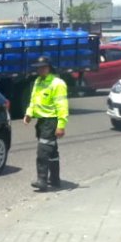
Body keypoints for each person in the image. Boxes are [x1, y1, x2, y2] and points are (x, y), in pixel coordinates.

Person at [23, 55, 69, 192]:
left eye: (43, 68)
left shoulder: (57, 84)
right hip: (42, 122)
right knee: (52, 152)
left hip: (52, 121)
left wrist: (61, 125)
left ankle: (42, 180)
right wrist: (29, 113)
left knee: (43, 151)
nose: (40, 70)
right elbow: (33, 100)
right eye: (38, 68)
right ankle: (55, 179)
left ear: (49, 68)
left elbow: (62, 106)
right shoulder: (38, 81)